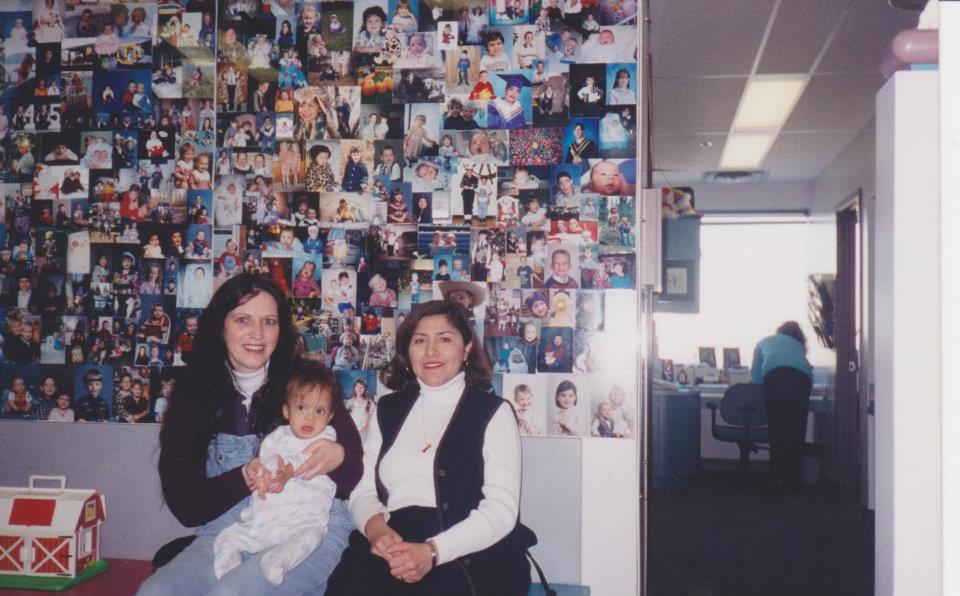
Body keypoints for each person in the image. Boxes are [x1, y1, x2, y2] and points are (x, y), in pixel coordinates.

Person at [136, 274, 363, 596]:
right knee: (154, 593)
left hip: (309, 534)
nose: (257, 334)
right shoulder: (191, 394)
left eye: (268, 321)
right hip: (230, 533)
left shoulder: (308, 383)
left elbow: (354, 475)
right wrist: (243, 475)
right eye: (243, 319)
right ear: (220, 326)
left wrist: (339, 456)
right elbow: (186, 507)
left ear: (281, 330)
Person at [324, 300, 531, 595]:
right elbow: (363, 489)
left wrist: (432, 552)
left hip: (466, 549)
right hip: (392, 540)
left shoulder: (493, 412)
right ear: (408, 352)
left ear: (467, 347)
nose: (431, 351)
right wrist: (376, 529)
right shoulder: (387, 410)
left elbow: (501, 511)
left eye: (445, 339)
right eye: (420, 340)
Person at [213, 363, 341, 585]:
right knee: (228, 536)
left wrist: (288, 472)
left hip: (304, 519)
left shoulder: (327, 437)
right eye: (302, 408)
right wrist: (263, 476)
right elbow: (269, 460)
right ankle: (227, 567)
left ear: (330, 416)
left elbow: (307, 459)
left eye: (319, 411)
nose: (310, 418)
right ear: (286, 410)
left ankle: (278, 560)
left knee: (310, 539)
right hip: (267, 518)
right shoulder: (276, 438)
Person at [750, 321, 814, 488]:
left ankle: (777, 476)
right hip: (802, 381)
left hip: (775, 378)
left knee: (777, 428)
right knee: (797, 428)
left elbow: (755, 376)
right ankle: (794, 478)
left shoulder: (764, 341)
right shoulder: (798, 346)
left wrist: (764, 387)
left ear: (779, 331)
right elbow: (808, 370)